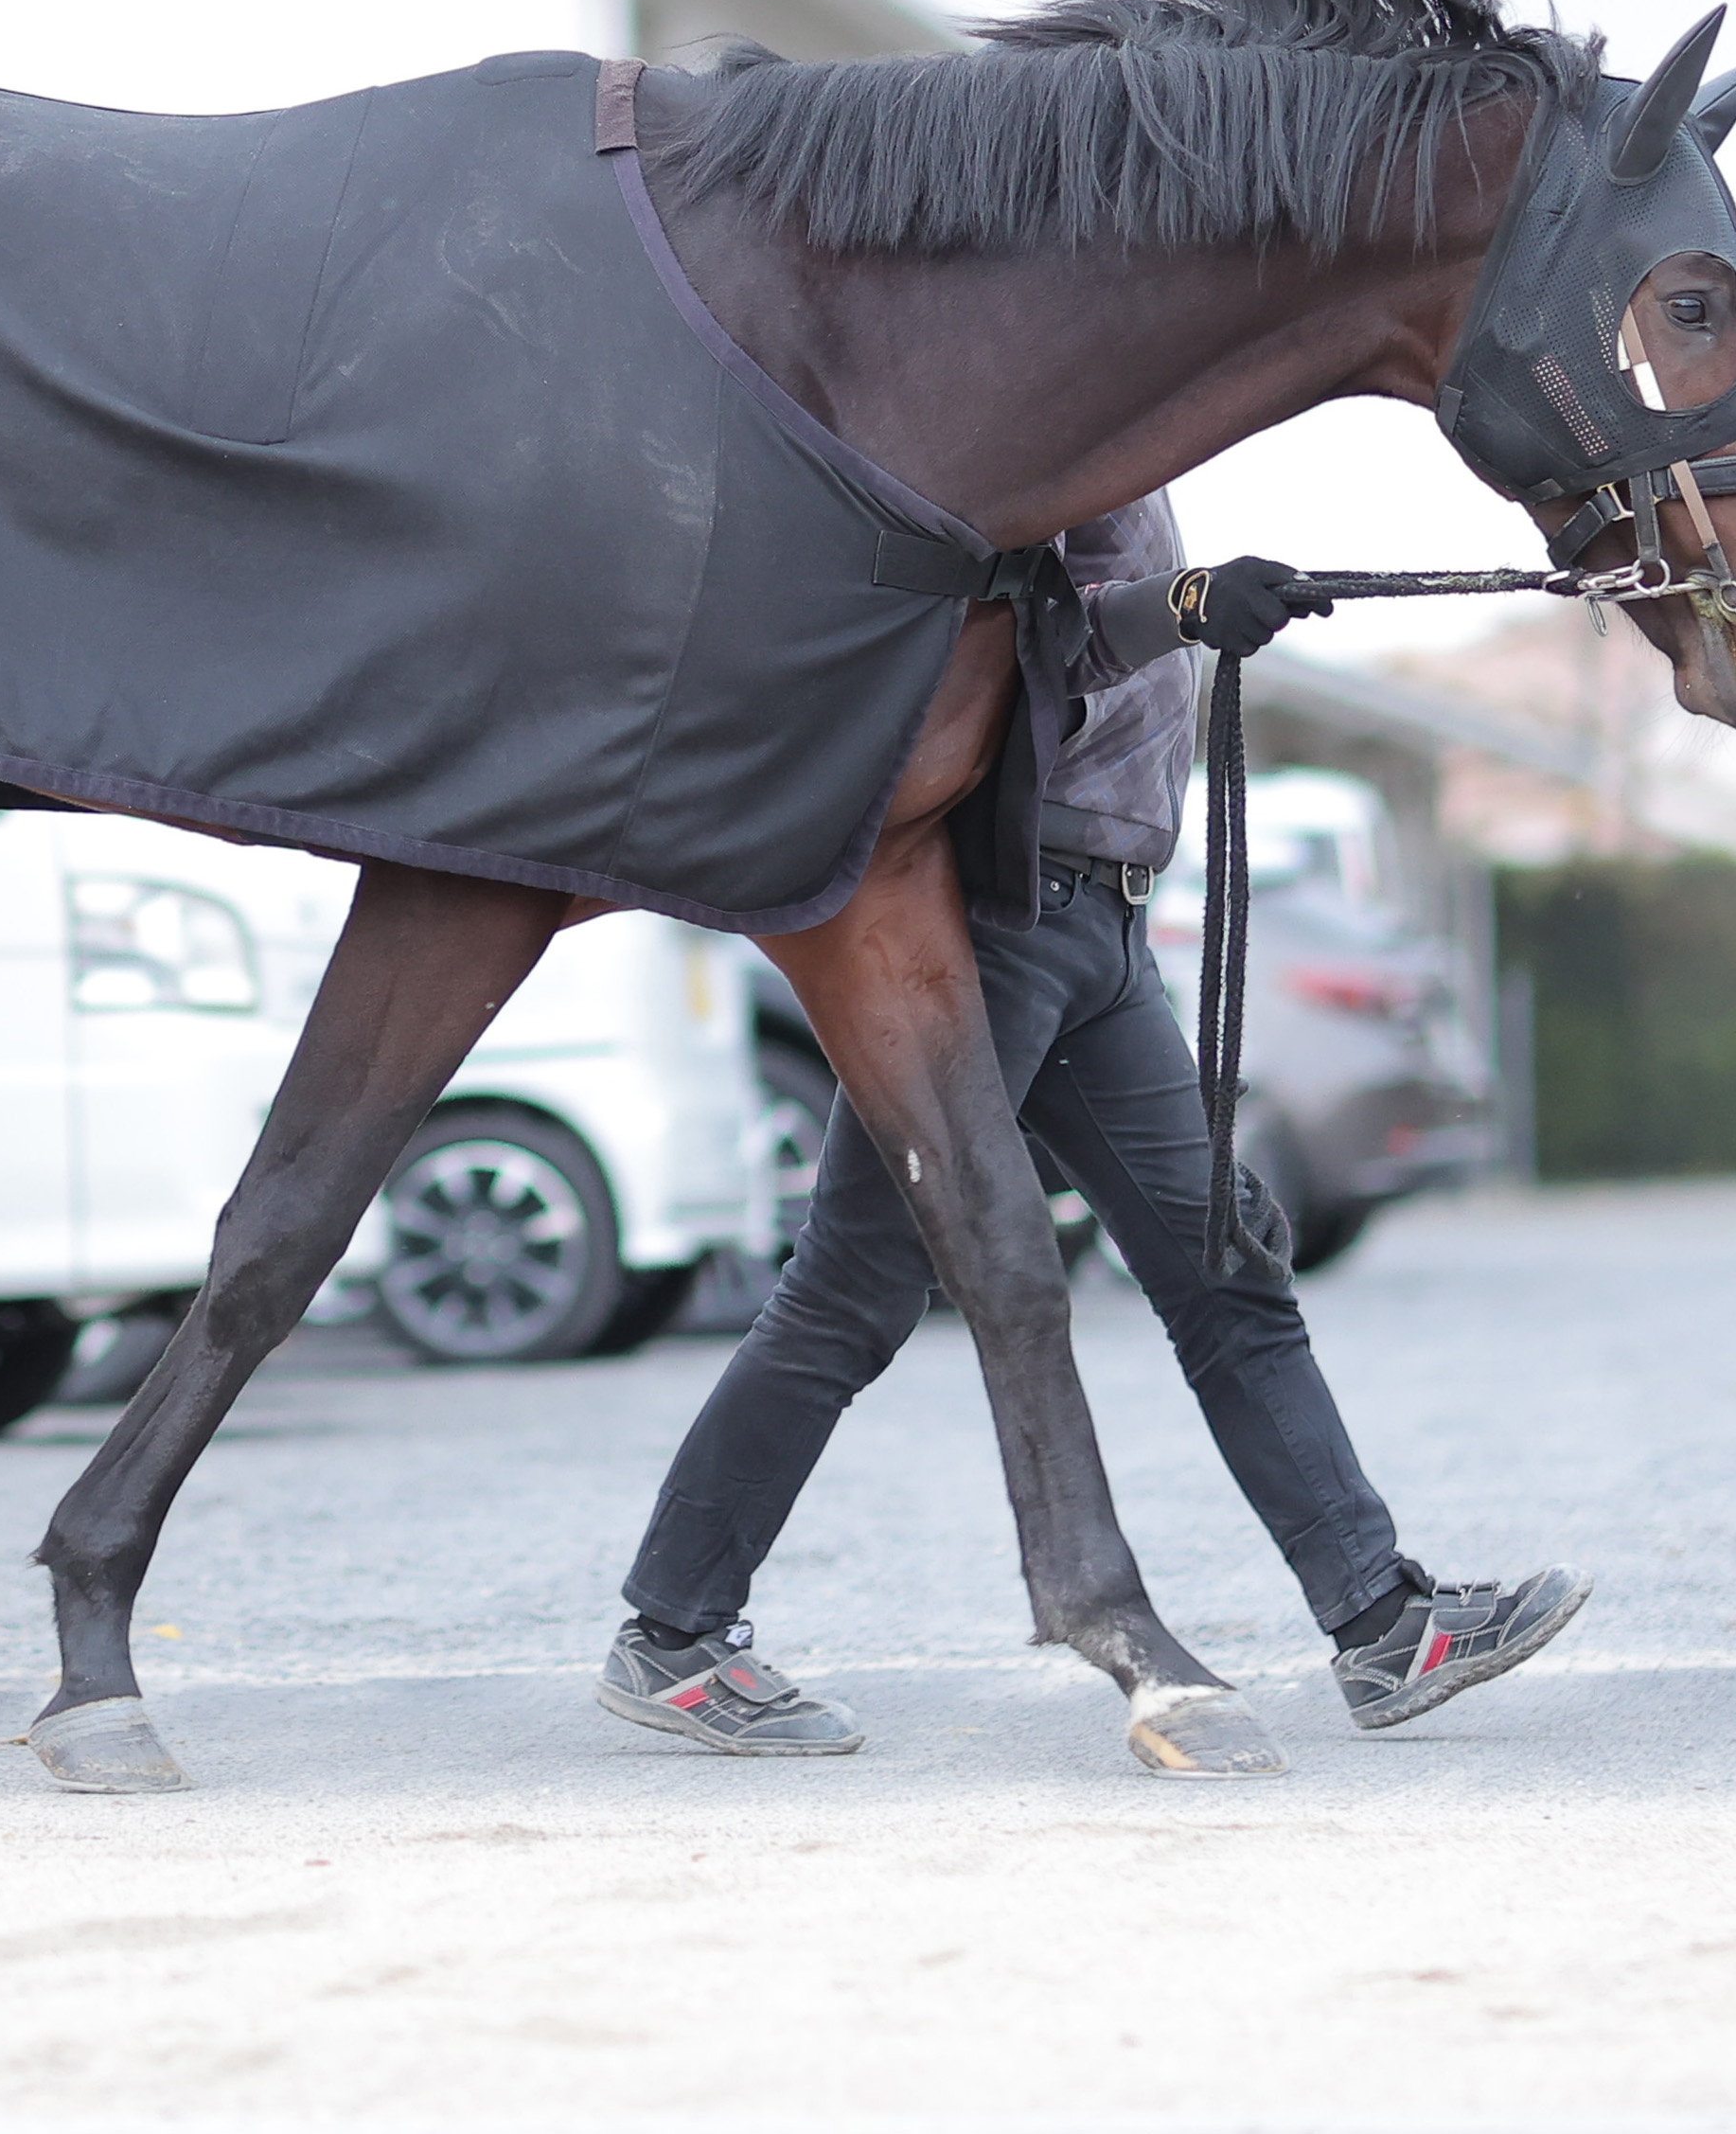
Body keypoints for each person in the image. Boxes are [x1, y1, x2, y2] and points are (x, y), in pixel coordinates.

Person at [596, 498, 1585, 1756]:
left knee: (1224, 1272)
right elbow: (1019, 630)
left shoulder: (1137, 452)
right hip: (990, 923)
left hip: (1103, 928)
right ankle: (673, 1629)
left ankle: (1382, 1622)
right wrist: (1187, 605)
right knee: (852, 1291)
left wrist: (1197, 601)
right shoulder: (1042, 436)